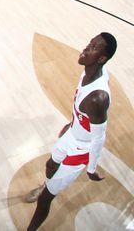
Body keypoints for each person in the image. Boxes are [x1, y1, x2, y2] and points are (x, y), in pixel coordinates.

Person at [24, 33, 117, 231]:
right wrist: (72, 122)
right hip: (73, 133)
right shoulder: (88, 72)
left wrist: (91, 169)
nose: (85, 48)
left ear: (101, 58)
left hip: (81, 149)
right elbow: (82, 112)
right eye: (89, 43)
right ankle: (46, 185)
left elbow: (99, 137)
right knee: (50, 164)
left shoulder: (98, 98)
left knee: (45, 199)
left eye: (92, 47)